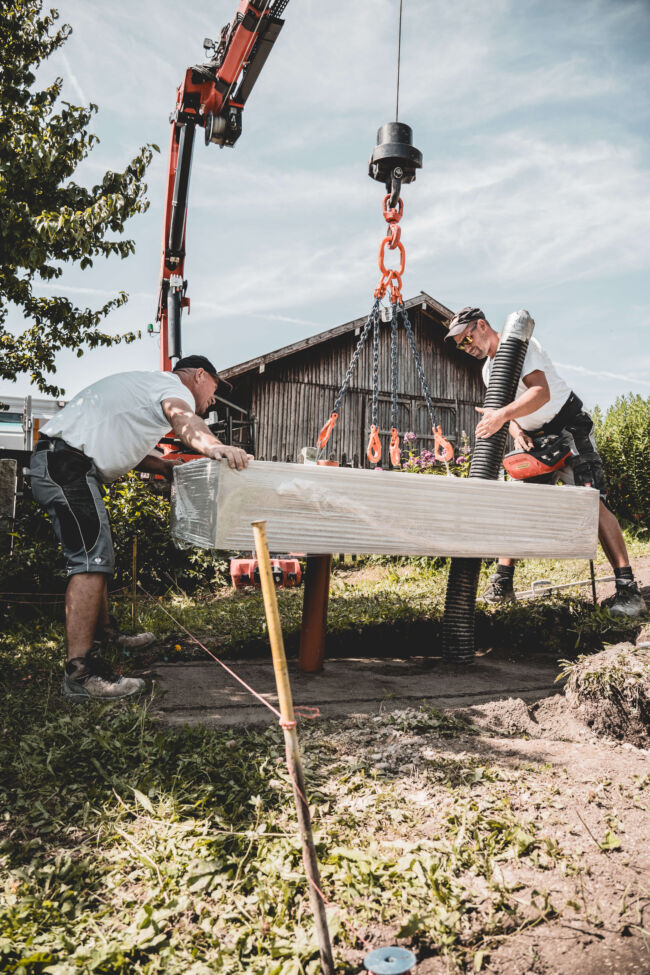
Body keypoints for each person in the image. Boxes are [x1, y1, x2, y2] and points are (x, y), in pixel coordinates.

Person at [29, 354, 252, 701]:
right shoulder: (169, 386)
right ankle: (81, 674)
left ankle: (105, 635)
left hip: (66, 462)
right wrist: (216, 446)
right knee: (90, 560)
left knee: (97, 554)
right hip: (66, 464)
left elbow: (121, 441)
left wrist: (161, 465)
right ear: (199, 376)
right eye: (214, 387)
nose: (213, 398)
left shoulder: (146, 388)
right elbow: (183, 419)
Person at [446, 307, 646, 618]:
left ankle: (627, 589)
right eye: (459, 344)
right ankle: (503, 583)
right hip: (534, 440)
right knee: (517, 506)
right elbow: (506, 413)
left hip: (568, 429)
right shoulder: (489, 371)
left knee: (592, 505)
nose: (465, 347)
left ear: (482, 325)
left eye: (466, 338)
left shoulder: (524, 349)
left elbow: (540, 393)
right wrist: (513, 427)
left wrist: (503, 416)